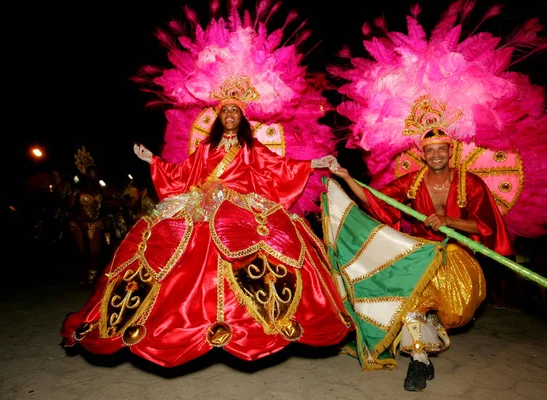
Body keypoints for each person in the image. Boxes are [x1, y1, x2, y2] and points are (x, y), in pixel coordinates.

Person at [60, 83, 353, 368]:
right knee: (169, 244)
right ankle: (176, 320)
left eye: (234, 111)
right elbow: (182, 172)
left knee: (263, 247)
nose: (229, 115)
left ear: (242, 118)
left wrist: (313, 164)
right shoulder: (205, 148)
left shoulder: (252, 148)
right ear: (218, 117)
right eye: (224, 111)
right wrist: (154, 161)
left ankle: (253, 321)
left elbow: (280, 166)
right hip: (200, 204)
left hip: (241, 207)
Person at [330, 127, 514, 391]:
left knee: (453, 313)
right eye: (430, 150)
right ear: (423, 154)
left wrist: (448, 220)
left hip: (457, 257)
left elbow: (486, 226)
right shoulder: (412, 182)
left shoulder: (470, 183)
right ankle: (418, 359)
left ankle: (431, 334)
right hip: (421, 256)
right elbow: (376, 201)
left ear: (451, 151)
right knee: (412, 306)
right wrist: (347, 178)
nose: (436, 155)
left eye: (441, 149)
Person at [66, 147, 110, 287]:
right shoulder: (77, 191)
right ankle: (81, 277)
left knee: (95, 253)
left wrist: (104, 218)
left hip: (95, 223)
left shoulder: (99, 190)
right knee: (81, 252)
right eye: (92, 173)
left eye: (96, 174)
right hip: (79, 223)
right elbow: (67, 209)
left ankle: (93, 276)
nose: (94, 176)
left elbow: (105, 207)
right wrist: (79, 221)